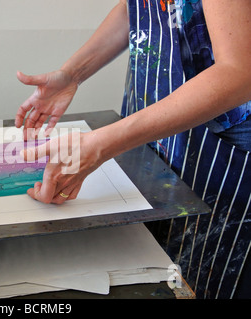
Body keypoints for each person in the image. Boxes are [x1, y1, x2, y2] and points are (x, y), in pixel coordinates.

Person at [14, 0, 251, 298]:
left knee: (200, 280)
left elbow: (239, 72)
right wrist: (73, 74)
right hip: (152, 127)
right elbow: (135, 8)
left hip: (223, 159)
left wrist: (102, 145)